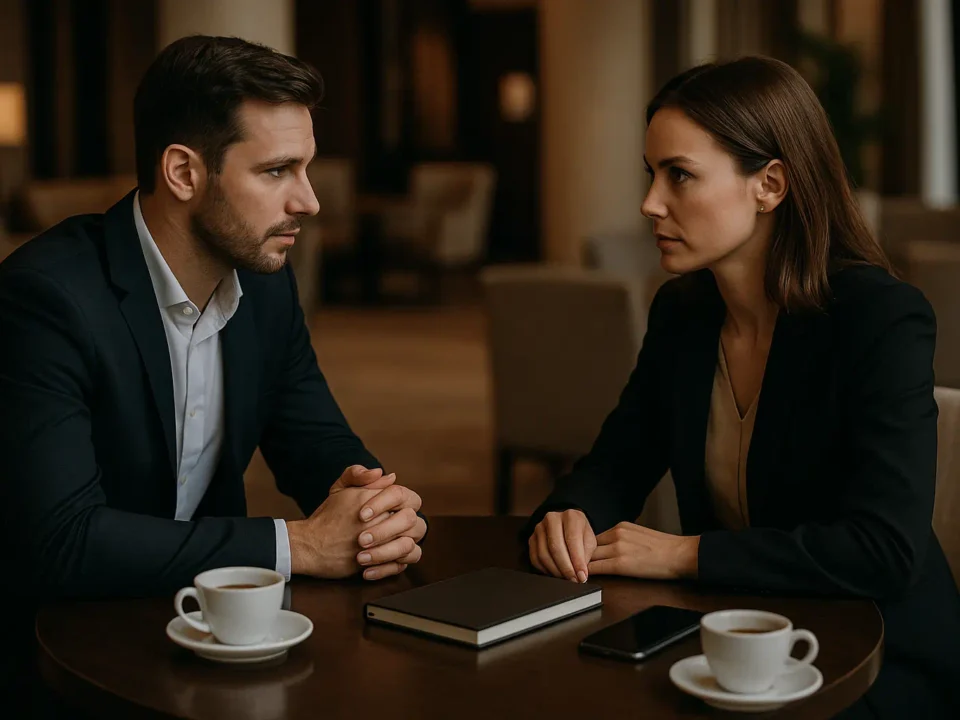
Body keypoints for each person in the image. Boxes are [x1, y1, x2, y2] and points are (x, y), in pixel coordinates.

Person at [526, 57, 960, 717]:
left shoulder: (878, 317)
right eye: (652, 175)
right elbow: (615, 465)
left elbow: (884, 550)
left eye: (680, 176)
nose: (650, 204)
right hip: (735, 640)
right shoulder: (684, 312)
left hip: (874, 655)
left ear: (771, 185)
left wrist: (685, 555)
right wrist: (572, 517)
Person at [0, 36, 426, 706]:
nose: (309, 202)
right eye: (278, 171)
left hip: (214, 637)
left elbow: (316, 440)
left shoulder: (267, 288)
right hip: (59, 649)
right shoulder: (46, 298)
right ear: (183, 173)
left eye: (307, 169)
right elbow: (63, 540)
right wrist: (298, 545)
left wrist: (373, 510)